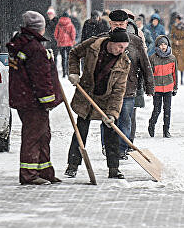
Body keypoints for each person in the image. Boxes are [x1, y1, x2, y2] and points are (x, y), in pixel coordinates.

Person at [65, 27, 131, 180]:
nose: (122, 50)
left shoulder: (124, 62)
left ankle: (113, 169)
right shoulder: (93, 45)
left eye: (125, 48)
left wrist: (113, 114)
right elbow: (74, 53)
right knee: (80, 130)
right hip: (86, 94)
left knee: (111, 131)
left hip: (106, 99)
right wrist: (74, 72)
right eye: (120, 46)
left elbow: (119, 91)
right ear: (111, 42)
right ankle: (72, 166)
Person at [7, 11, 63, 185]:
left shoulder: (20, 43)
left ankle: (45, 172)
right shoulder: (35, 48)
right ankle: (29, 175)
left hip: (24, 98)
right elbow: (40, 78)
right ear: (40, 28)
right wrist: (48, 100)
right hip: (33, 102)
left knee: (43, 135)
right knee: (33, 137)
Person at [100, 10, 154, 160]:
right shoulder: (102, 40)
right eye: (115, 24)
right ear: (110, 24)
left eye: (121, 24)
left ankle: (122, 149)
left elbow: (145, 64)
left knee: (125, 120)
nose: (118, 27)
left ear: (127, 24)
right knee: (108, 120)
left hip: (129, 87)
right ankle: (107, 147)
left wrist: (149, 86)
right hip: (107, 89)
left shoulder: (135, 41)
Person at [148, 35, 178, 138]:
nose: (163, 46)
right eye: (161, 44)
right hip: (157, 88)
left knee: (167, 109)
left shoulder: (172, 58)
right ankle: (151, 125)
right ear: (157, 46)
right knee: (157, 109)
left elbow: (175, 74)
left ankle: (166, 131)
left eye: (165, 44)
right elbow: (150, 75)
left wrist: (175, 87)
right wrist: (149, 88)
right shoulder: (152, 58)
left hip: (168, 87)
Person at [54, 11, 76, 78]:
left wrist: (59, 39)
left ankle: (64, 73)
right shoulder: (70, 24)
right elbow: (73, 34)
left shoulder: (58, 24)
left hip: (61, 44)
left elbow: (55, 34)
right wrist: (72, 40)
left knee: (63, 58)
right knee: (69, 58)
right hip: (69, 43)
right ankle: (69, 72)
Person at [170, 14, 184, 85]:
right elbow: (171, 35)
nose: (177, 21)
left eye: (178, 19)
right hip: (175, 47)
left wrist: (180, 42)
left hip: (182, 48)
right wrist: (175, 41)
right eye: (176, 19)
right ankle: (174, 80)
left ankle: (181, 79)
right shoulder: (174, 26)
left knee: (182, 63)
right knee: (174, 63)